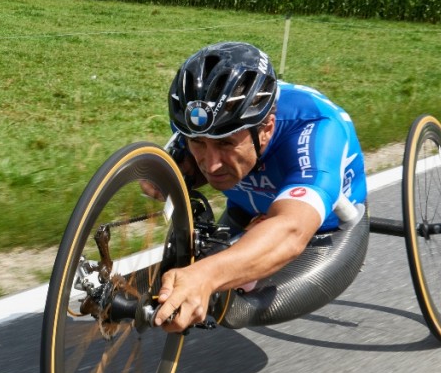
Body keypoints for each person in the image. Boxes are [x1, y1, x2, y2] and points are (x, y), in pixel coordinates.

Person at [150, 41, 367, 333]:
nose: (211, 164)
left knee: (231, 308)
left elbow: (291, 229)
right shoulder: (205, 124)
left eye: (226, 143)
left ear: (266, 129)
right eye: (198, 143)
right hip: (247, 211)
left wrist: (207, 275)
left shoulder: (316, 130)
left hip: (325, 231)